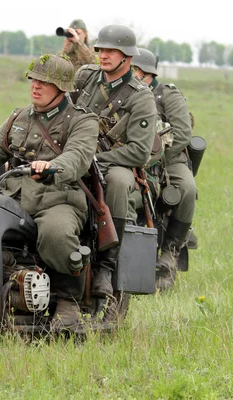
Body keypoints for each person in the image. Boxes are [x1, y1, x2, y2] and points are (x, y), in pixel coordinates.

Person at [0, 54, 99, 328]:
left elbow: (78, 156)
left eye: (44, 82)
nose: (35, 86)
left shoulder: (82, 120)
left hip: (58, 199)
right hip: (14, 197)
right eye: (33, 79)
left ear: (61, 87)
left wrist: (52, 167)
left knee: (56, 234)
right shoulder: (18, 117)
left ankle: (69, 301)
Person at [71, 25, 157, 298]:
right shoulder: (86, 78)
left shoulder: (141, 96)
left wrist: (97, 158)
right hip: (76, 155)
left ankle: (107, 266)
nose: (103, 55)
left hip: (113, 164)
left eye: (111, 50)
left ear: (127, 57)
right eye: (100, 49)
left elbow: (139, 153)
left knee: (120, 182)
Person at [131, 48, 197, 291]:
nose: (131, 75)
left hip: (170, 159)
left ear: (146, 73)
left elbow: (181, 134)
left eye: (134, 70)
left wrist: (154, 157)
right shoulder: (125, 94)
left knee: (187, 189)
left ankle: (170, 250)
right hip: (131, 159)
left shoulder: (167, 94)